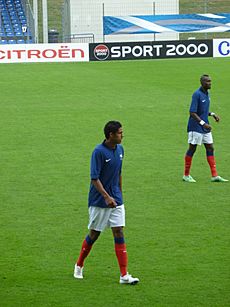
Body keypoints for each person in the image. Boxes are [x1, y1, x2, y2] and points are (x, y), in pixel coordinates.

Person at [74, 121, 139, 285]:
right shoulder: (98, 152)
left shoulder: (121, 150)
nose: (122, 135)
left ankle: (124, 275)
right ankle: (79, 265)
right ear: (111, 135)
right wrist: (106, 197)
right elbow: (94, 178)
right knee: (94, 234)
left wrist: (119, 195)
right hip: (99, 201)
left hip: (116, 199)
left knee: (119, 232)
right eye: (119, 133)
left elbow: (119, 173)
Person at [183, 74, 228, 183]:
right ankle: (186, 175)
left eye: (210, 81)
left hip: (205, 127)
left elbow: (202, 111)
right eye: (207, 81)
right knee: (192, 149)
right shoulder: (197, 94)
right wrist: (203, 123)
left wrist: (212, 114)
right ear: (202, 83)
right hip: (195, 127)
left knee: (210, 148)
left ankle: (214, 175)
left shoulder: (207, 93)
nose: (210, 83)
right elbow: (192, 112)